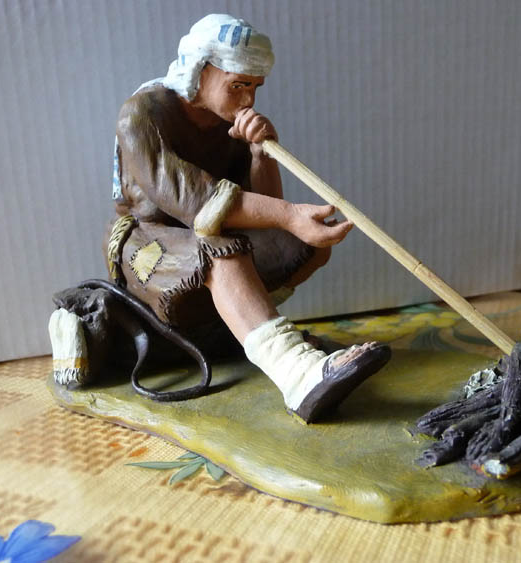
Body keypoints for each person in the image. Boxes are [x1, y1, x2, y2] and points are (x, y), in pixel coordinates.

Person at [105, 14, 390, 422]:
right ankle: (295, 372)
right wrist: (289, 214)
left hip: (208, 235)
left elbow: (264, 208)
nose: (248, 100)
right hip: (145, 245)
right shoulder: (141, 114)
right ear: (200, 70)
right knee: (220, 248)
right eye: (238, 85)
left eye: (255, 87)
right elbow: (196, 202)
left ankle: (243, 326)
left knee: (302, 245)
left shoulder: (227, 122)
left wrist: (259, 155)